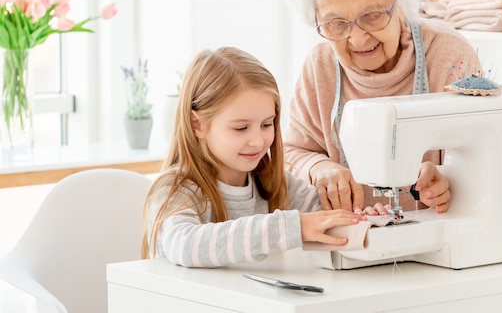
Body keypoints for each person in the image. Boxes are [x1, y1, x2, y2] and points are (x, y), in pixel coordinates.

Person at [284, 0, 481, 215]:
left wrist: (447, 177)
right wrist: (319, 167)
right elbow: (291, 152)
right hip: (352, 238)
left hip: (440, 235)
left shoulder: (448, 55)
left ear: (401, 1)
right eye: (336, 23)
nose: (358, 38)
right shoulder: (320, 67)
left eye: (373, 16)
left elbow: (478, 155)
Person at [141, 47, 365, 268]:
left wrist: (362, 220)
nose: (257, 141)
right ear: (197, 124)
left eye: (267, 124)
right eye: (241, 128)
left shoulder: (277, 184)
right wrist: (293, 227)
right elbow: (185, 245)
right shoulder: (174, 189)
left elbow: (326, 219)